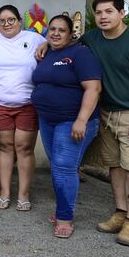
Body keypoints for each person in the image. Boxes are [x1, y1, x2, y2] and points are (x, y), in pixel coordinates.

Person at [38, 0, 129, 246]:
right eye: (99, 13)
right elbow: (64, 42)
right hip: (107, 112)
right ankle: (119, 211)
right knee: (114, 165)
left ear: (121, 13)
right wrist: (45, 44)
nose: (103, 17)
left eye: (109, 12)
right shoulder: (92, 39)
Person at [31, 15, 101, 239]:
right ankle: (62, 207)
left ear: (71, 34)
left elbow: (93, 88)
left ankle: (64, 218)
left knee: (64, 167)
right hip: (48, 119)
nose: (56, 33)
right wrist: (45, 45)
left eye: (62, 30)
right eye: (52, 29)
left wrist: (81, 119)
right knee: (57, 165)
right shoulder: (48, 52)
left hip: (72, 120)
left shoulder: (81, 54)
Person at [0, 4, 45, 212]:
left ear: (19, 21)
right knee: (5, 146)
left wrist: (48, 45)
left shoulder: (34, 39)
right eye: (2, 21)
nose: (6, 24)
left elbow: (54, 45)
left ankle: (23, 194)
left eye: (11, 19)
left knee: (24, 148)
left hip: (28, 104)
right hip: (1, 103)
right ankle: (5, 192)